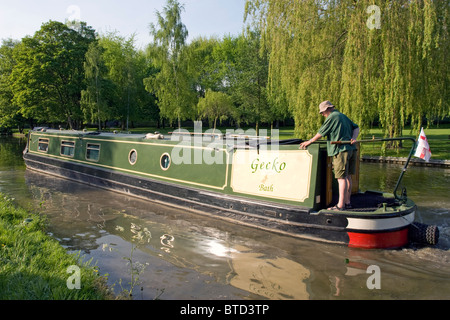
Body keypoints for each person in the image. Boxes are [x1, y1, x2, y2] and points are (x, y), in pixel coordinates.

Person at [299, 101, 360, 211]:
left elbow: (321, 132)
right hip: (351, 149)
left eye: (322, 112)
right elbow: (356, 128)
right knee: (348, 177)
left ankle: (340, 206)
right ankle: (347, 202)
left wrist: (310, 141)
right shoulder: (342, 116)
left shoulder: (332, 117)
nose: (322, 115)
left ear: (327, 109)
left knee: (341, 178)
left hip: (340, 150)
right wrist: (353, 138)